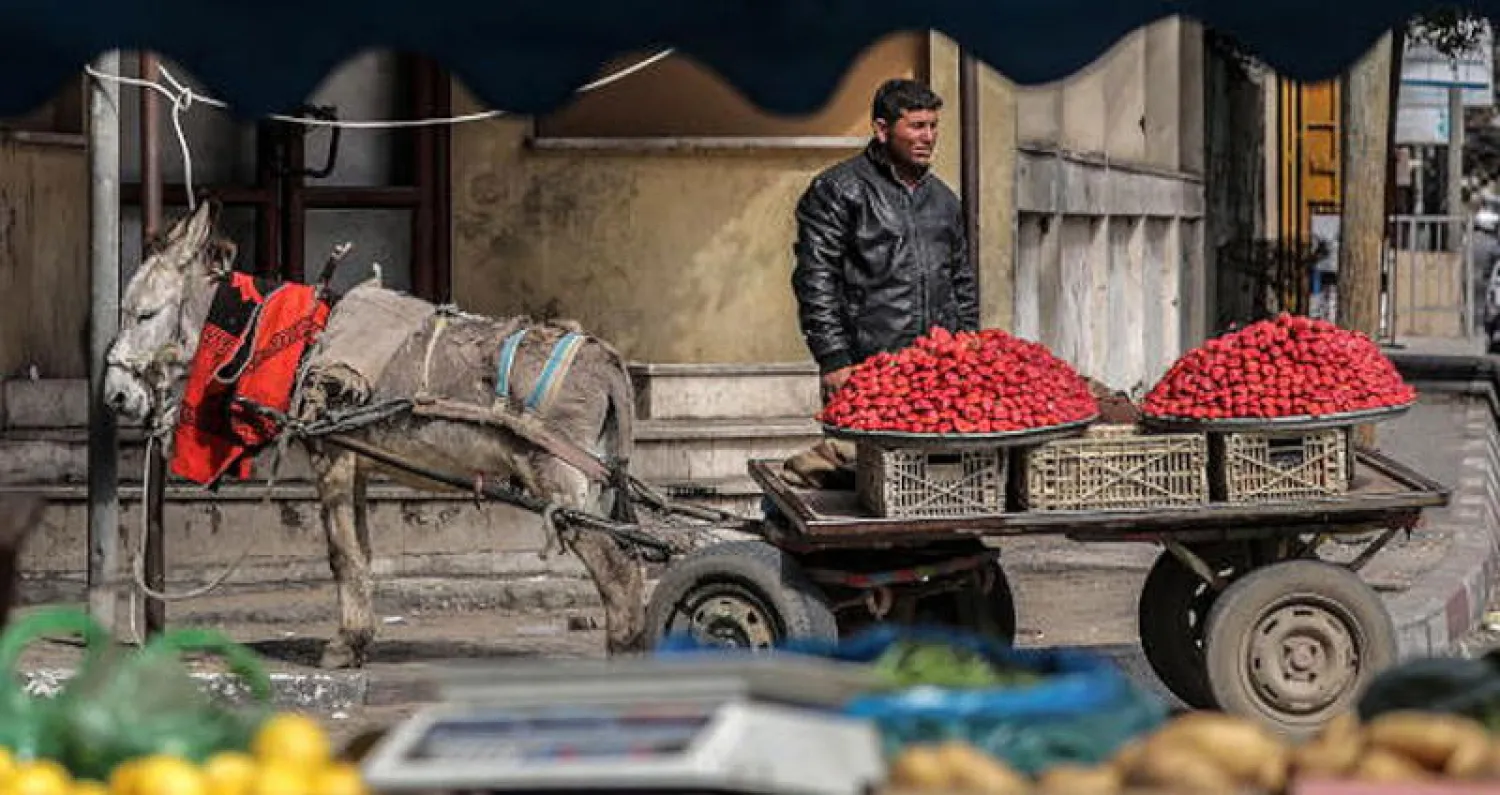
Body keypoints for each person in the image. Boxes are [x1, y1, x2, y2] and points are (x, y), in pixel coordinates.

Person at [791, 78, 979, 401]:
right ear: (882, 129)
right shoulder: (839, 190)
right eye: (917, 126)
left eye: (933, 126)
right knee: (863, 453)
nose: (929, 137)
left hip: (938, 370)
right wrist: (833, 356)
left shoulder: (944, 200)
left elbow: (961, 281)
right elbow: (815, 278)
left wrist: (968, 345)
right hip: (867, 368)